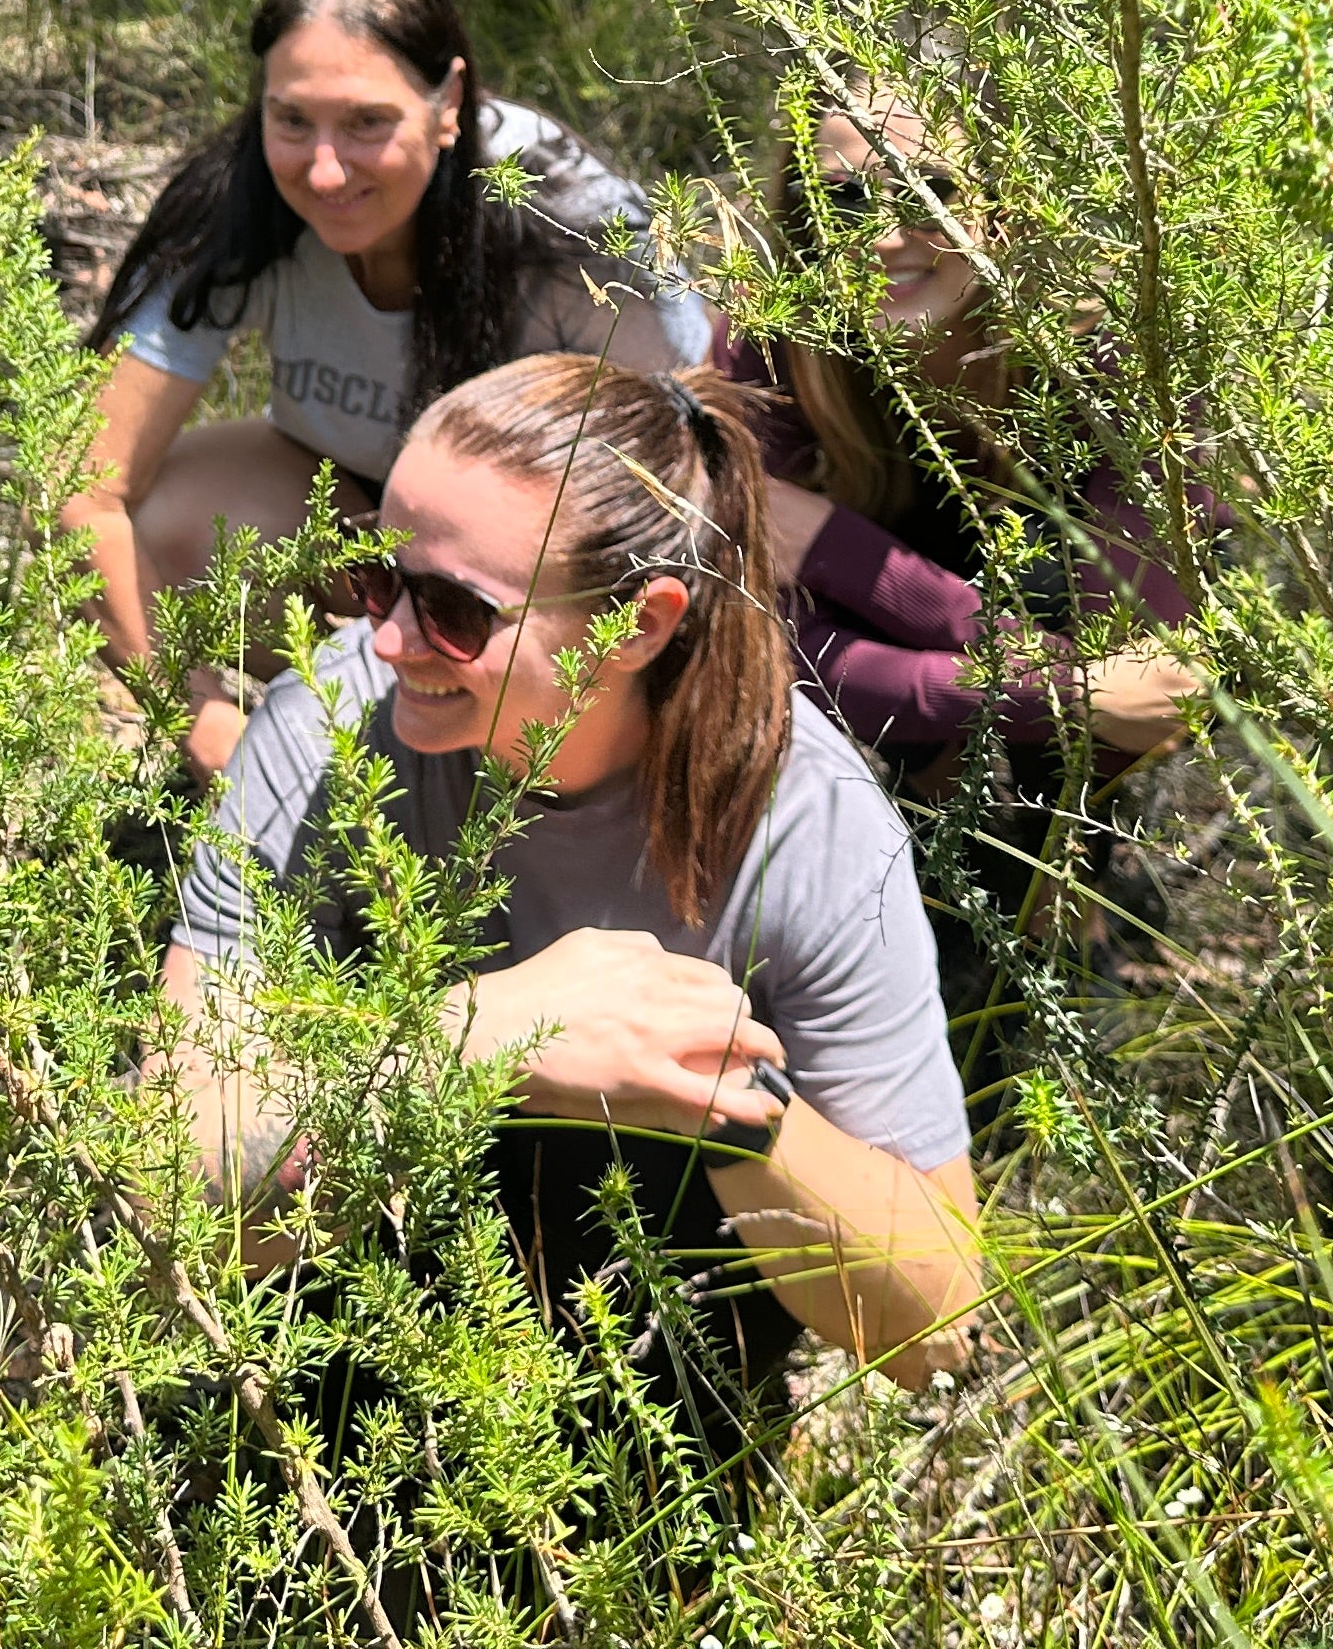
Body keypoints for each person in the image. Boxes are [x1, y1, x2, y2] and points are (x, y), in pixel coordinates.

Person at [160, 353, 986, 1423]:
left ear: (638, 625)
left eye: (456, 609)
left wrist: (717, 1098)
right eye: (376, 577)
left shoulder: (812, 828)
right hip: (361, 1336)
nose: (387, 638)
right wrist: (491, 1036)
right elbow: (170, 1195)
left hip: (648, 1381)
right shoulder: (324, 729)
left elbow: (933, 1330)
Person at [68, 0, 707, 772]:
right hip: (347, 512)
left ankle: (533, 763)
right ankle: (324, 740)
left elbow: (690, 468)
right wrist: (212, 744)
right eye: (291, 120)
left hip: (518, 566)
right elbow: (83, 486)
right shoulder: (236, 204)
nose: (325, 171)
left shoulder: (559, 213)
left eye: (368, 123)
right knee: (168, 517)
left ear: (448, 103)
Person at [721, 104, 1208, 1099]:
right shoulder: (769, 358)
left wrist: (832, 542)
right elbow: (779, 655)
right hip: (931, 723)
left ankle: (1054, 931)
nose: (890, 236)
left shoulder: (1115, 360)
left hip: (1060, 753)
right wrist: (1050, 691)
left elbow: (1154, 680)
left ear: (1013, 201)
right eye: (847, 198)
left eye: (934, 189)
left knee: (1064, 620)